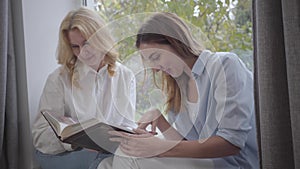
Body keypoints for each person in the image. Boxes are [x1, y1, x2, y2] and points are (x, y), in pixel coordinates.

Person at [98, 12, 259, 169]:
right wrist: (160, 120)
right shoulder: (179, 87)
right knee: (106, 164)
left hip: (235, 164)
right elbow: (188, 147)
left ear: (175, 41)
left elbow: (231, 143)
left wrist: (160, 148)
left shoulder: (224, 65)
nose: (155, 69)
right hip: (206, 162)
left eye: (155, 57)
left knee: (128, 158)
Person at [32, 7, 136, 169]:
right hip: (63, 154)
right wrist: (73, 141)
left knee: (129, 160)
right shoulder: (59, 79)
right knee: (104, 163)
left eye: (87, 42)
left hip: (105, 152)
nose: (83, 52)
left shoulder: (125, 76)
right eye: (75, 46)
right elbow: (40, 136)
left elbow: (127, 125)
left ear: (101, 37)